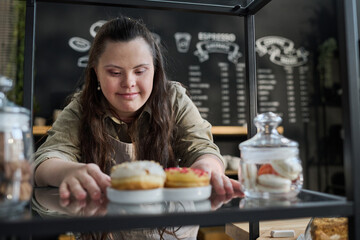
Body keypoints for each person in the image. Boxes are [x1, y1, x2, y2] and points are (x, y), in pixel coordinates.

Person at [33, 16, 241, 201]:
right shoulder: (82, 106)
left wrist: (207, 168)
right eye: (115, 73)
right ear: (96, 72)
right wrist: (67, 171)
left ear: (155, 70)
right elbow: (46, 159)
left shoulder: (174, 99)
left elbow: (201, 149)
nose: (128, 82)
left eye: (140, 71)